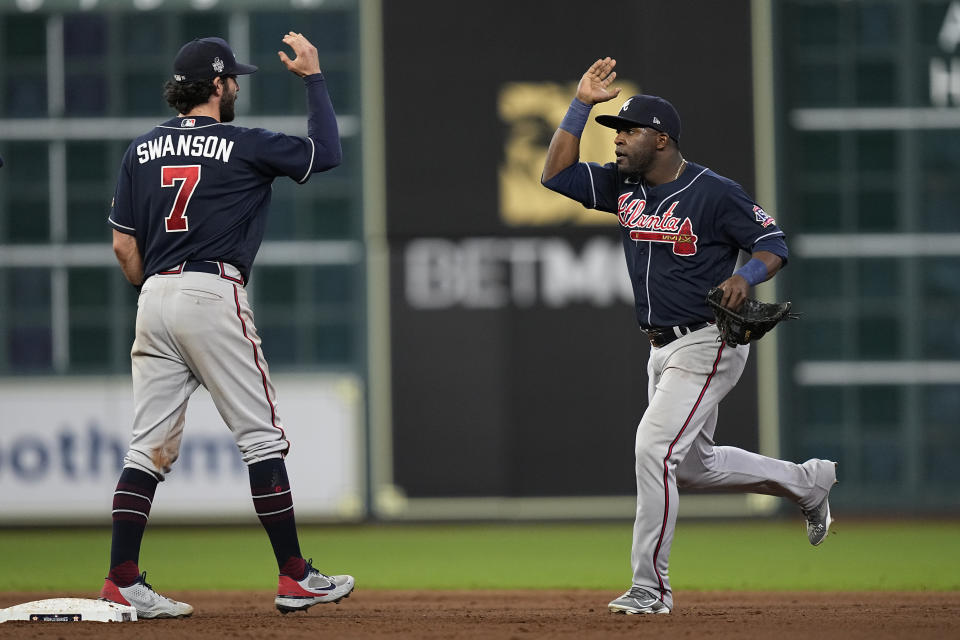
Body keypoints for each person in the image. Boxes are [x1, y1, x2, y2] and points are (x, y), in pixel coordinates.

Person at [541, 58, 837, 615]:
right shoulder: (624, 185)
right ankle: (807, 482)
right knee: (694, 465)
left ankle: (650, 587)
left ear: (661, 139)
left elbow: (774, 243)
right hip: (660, 347)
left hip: (710, 340)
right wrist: (581, 104)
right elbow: (554, 175)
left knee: (653, 447)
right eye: (616, 131)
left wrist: (745, 276)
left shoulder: (714, 192)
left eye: (627, 131)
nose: (619, 140)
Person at [100, 33, 354, 618]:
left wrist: (157, 290)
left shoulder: (139, 150)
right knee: (261, 436)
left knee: (146, 450)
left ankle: (122, 579)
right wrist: (314, 79)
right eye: (232, 78)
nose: (237, 85)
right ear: (216, 85)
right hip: (212, 291)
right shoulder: (244, 143)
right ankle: (295, 577)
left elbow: (122, 244)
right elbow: (326, 155)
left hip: (155, 294)